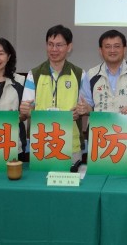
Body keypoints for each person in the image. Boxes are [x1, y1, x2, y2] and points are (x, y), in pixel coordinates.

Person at [20, 25, 87, 169]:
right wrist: (26, 109)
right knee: (40, 181)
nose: (54, 49)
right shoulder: (34, 74)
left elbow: (85, 107)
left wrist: (80, 110)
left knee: (69, 181)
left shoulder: (79, 74)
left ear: (69, 47)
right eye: (50, 44)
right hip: (41, 143)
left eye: (59, 45)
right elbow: (27, 109)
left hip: (71, 144)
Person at [77, 30, 127, 163]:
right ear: (100, 50)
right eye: (107, 46)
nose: (112, 50)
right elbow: (88, 106)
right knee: (99, 176)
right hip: (98, 141)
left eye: (117, 46)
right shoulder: (91, 75)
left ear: (124, 49)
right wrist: (85, 108)